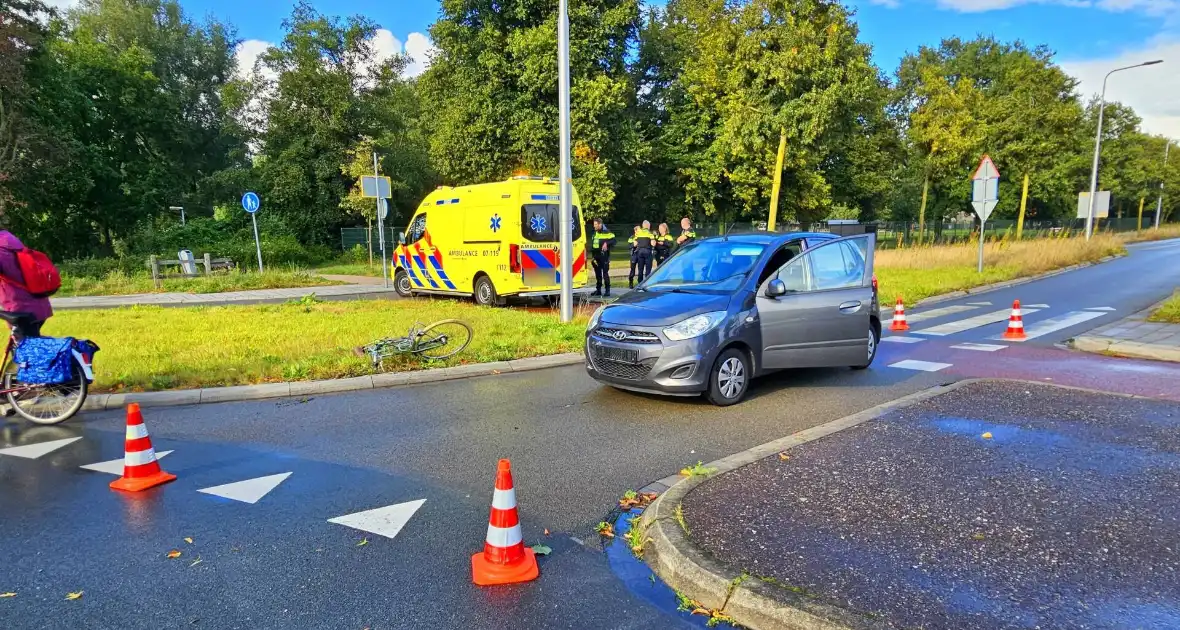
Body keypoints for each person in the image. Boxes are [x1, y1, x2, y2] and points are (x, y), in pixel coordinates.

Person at [0, 230, 52, 338]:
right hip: (37, 304)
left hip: (22, 309)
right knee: (30, 344)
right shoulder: (7, 238)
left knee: (27, 350)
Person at [589, 218, 616, 297]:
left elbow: (614, 241)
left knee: (605, 273)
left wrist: (606, 243)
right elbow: (595, 245)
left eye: (596, 225)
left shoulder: (607, 232)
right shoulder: (594, 233)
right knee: (598, 274)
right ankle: (598, 290)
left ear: (600, 224)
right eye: (594, 225)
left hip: (604, 256)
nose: (594, 226)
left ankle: (607, 290)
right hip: (596, 256)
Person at [629, 222, 655, 287]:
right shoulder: (650, 233)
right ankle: (647, 284)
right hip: (647, 252)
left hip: (640, 252)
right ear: (648, 226)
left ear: (643, 226)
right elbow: (653, 243)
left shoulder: (638, 233)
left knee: (640, 269)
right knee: (648, 269)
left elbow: (634, 243)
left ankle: (640, 283)